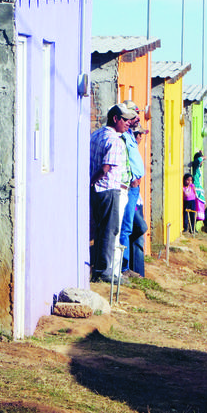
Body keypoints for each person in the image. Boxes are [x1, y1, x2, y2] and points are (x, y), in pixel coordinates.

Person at [90, 103, 136, 283]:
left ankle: (100, 268)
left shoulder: (96, 134)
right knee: (110, 230)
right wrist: (94, 179)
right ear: (115, 119)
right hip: (109, 188)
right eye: (125, 120)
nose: (128, 123)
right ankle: (105, 271)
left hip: (98, 190)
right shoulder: (115, 141)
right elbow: (106, 167)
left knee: (102, 230)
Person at [118, 100, 145, 274]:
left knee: (134, 227)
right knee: (128, 227)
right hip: (129, 187)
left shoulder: (130, 133)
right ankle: (124, 265)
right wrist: (133, 179)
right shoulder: (123, 136)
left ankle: (131, 266)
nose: (136, 117)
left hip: (135, 189)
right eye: (133, 114)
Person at [191, 151, 206, 222]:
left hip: (199, 188)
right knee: (197, 206)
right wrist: (202, 157)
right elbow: (198, 160)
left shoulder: (198, 168)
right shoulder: (196, 166)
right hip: (196, 188)